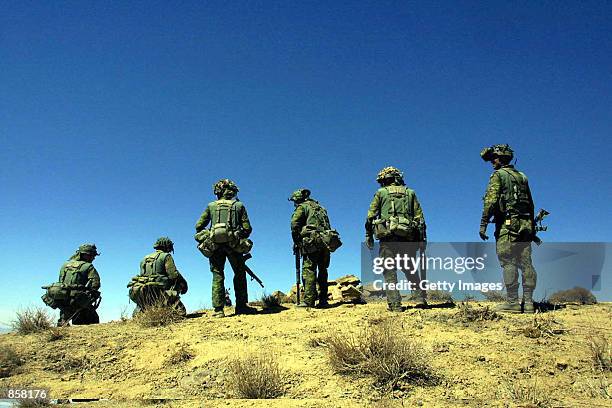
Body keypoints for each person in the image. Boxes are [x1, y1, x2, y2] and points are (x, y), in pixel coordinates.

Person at [480, 144, 537, 313]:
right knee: (527, 263)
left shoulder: (498, 175)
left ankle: (512, 302)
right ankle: (528, 303)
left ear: (501, 158)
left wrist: (483, 223)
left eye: (494, 158)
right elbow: (531, 204)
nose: (492, 162)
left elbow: (490, 201)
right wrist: (531, 225)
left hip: (508, 225)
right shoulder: (522, 176)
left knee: (508, 262)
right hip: (525, 226)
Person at [365, 166, 427, 312]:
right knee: (410, 268)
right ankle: (420, 298)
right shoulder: (410, 193)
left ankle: (395, 304)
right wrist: (423, 240)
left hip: (388, 238)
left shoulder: (381, 193)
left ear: (385, 180)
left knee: (389, 270)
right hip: (409, 237)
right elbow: (421, 219)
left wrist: (369, 235)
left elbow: (370, 217)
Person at [195, 179, 256, 318]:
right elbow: (247, 229)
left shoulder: (211, 206)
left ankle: (218, 310)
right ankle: (241, 307)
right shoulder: (239, 206)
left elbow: (199, 226)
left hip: (215, 246)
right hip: (234, 246)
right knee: (240, 274)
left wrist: (210, 236)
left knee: (217, 275)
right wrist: (236, 235)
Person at [289, 188, 338, 308]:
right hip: (326, 241)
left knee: (309, 269)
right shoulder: (321, 208)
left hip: (312, 241)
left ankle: (309, 301)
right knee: (323, 270)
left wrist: (297, 242)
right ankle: (323, 300)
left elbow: (294, 225)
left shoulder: (303, 207)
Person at [42, 243, 102, 325]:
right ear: (83, 255)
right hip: (78, 299)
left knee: (65, 318)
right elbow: (95, 284)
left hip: (62, 297)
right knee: (91, 320)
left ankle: (62, 328)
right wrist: (90, 294)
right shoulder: (88, 266)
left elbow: (60, 280)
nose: (93, 257)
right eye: (91, 255)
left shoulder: (65, 265)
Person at [128, 237, 188, 316]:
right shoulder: (166, 256)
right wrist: (184, 283)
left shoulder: (145, 258)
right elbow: (173, 275)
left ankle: (141, 310)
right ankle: (173, 303)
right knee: (179, 284)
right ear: (167, 247)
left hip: (143, 290)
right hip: (161, 290)